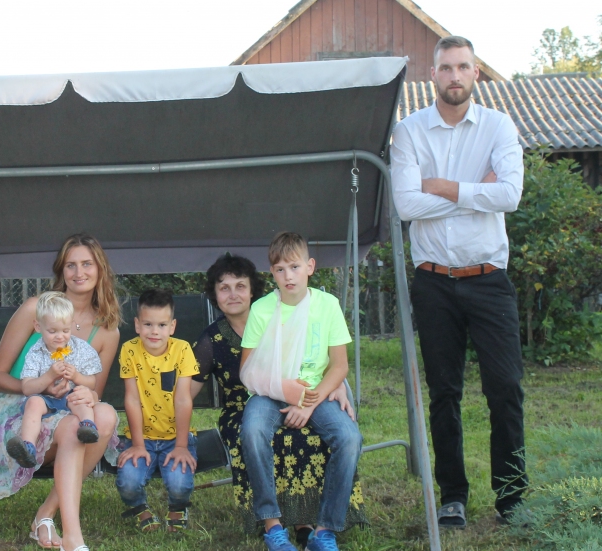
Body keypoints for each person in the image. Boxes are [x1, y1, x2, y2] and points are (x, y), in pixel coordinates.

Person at [391, 35, 526, 528]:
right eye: (445, 68)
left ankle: (512, 497)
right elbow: (407, 205)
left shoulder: (498, 126)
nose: (454, 76)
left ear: (476, 74)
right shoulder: (409, 133)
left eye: (463, 67)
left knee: (505, 387)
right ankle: (453, 496)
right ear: (434, 75)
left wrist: (443, 187)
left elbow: (509, 194)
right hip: (434, 283)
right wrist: (476, 191)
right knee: (444, 391)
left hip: (489, 279)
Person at [189, 253, 365, 546]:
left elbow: (322, 359)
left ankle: (309, 524)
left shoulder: (280, 314)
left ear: (253, 289)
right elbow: (186, 393)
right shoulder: (211, 339)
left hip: (302, 395)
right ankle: (276, 524)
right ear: (214, 295)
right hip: (249, 405)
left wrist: (333, 386)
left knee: (313, 436)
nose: (233, 294)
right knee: (259, 432)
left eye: (240, 286)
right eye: (224, 288)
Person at [0, 233, 121, 551]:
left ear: (100, 269)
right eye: (71, 265)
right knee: (76, 426)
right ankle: (73, 539)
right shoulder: (36, 310)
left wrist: (81, 393)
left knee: (104, 415)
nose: (79, 273)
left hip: (69, 411)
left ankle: (45, 514)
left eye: (87, 264)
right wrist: (41, 384)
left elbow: (94, 394)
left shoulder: (107, 330)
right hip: (24, 413)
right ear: (61, 271)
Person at [239, 232, 362, 551]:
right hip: (268, 393)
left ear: (310, 266)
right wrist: (285, 390)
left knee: (349, 438)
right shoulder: (262, 310)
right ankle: (272, 526)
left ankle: (324, 531)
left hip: (315, 393)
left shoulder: (327, 305)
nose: (287, 276)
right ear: (272, 273)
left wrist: (308, 403)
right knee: (252, 430)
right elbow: (249, 371)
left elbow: (339, 367)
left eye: (294, 267)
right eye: (279, 269)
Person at [115, 289, 199, 533]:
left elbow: (183, 399)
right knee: (128, 481)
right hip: (141, 437)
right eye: (148, 324)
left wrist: (182, 446)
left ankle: (178, 507)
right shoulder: (129, 350)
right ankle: (139, 508)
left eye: (162, 324)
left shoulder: (182, 350)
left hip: (176, 438)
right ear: (137, 325)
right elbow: (131, 398)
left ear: (172, 326)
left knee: (180, 484)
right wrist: (138, 444)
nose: (155, 331)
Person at [7, 292, 103, 468]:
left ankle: (88, 427)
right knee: (33, 403)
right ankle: (28, 447)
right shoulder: (35, 353)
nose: (60, 336)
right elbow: (27, 388)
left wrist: (76, 377)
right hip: (46, 399)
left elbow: (92, 383)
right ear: (38, 326)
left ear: (71, 325)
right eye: (52, 331)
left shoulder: (80, 349)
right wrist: (48, 377)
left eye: (65, 330)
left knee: (80, 397)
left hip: (70, 396)